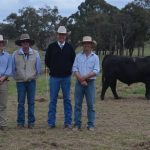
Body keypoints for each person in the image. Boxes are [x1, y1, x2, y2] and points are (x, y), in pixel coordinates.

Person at [45, 26, 75, 129]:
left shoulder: (70, 47)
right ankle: (51, 123)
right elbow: (47, 61)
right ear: (57, 35)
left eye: (63, 34)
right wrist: (54, 69)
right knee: (53, 100)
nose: (61, 36)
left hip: (66, 77)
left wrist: (67, 70)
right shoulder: (51, 47)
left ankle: (68, 123)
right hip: (54, 78)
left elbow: (73, 61)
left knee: (67, 100)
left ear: (66, 36)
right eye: (60, 34)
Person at [12, 34, 41, 129]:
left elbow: (38, 69)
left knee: (31, 102)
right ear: (21, 43)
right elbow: (13, 68)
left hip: (31, 81)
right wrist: (17, 77)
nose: (25, 43)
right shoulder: (15, 54)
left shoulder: (36, 53)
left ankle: (31, 122)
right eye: (23, 42)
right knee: (21, 102)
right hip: (20, 82)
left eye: (27, 42)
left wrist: (33, 77)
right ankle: (20, 122)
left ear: (29, 43)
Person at [72, 36, 100, 131]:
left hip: (90, 83)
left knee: (91, 105)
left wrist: (84, 78)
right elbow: (75, 69)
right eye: (85, 43)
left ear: (91, 45)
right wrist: (81, 79)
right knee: (77, 104)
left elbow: (96, 70)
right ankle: (77, 124)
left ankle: (91, 125)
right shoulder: (78, 56)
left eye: (88, 43)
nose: (86, 45)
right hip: (79, 83)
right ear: (82, 45)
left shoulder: (95, 57)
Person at [0, 35, 12, 131]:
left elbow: (10, 68)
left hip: (3, 82)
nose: (0, 44)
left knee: (3, 104)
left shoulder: (8, 56)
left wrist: (3, 78)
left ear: (3, 44)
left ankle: (3, 124)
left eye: (1, 43)